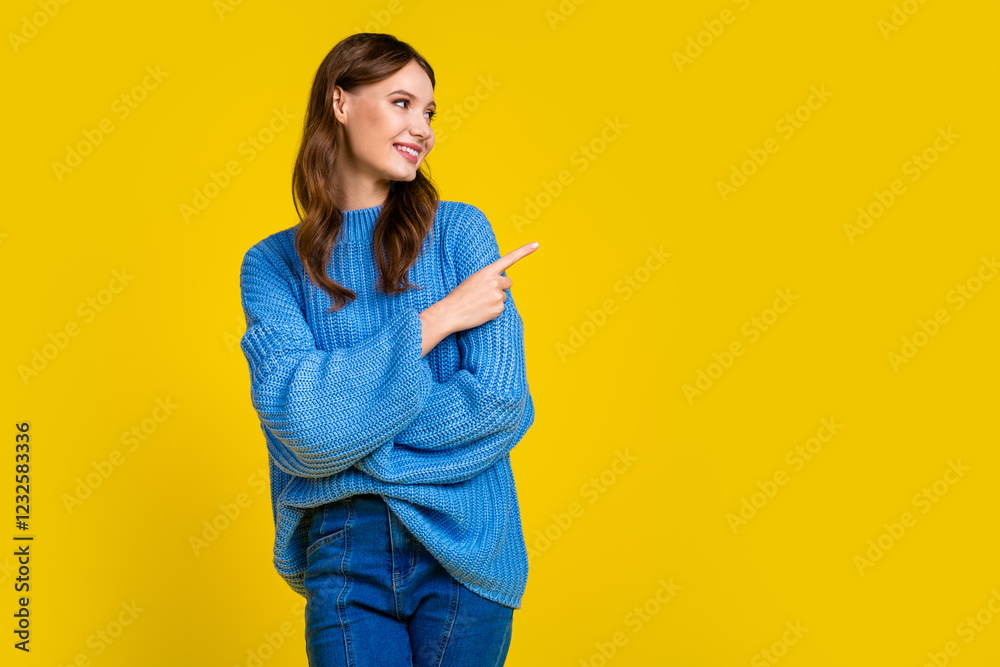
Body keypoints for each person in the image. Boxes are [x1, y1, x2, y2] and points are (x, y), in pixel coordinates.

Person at [238, 33, 539, 666]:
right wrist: (437, 321)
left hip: (465, 547)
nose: (421, 127)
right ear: (340, 103)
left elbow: (498, 403)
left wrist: (343, 440)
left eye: (429, 112)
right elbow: (301, 423)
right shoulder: (271, 267)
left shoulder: (460, 231)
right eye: (402, 103)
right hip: (344, 552)